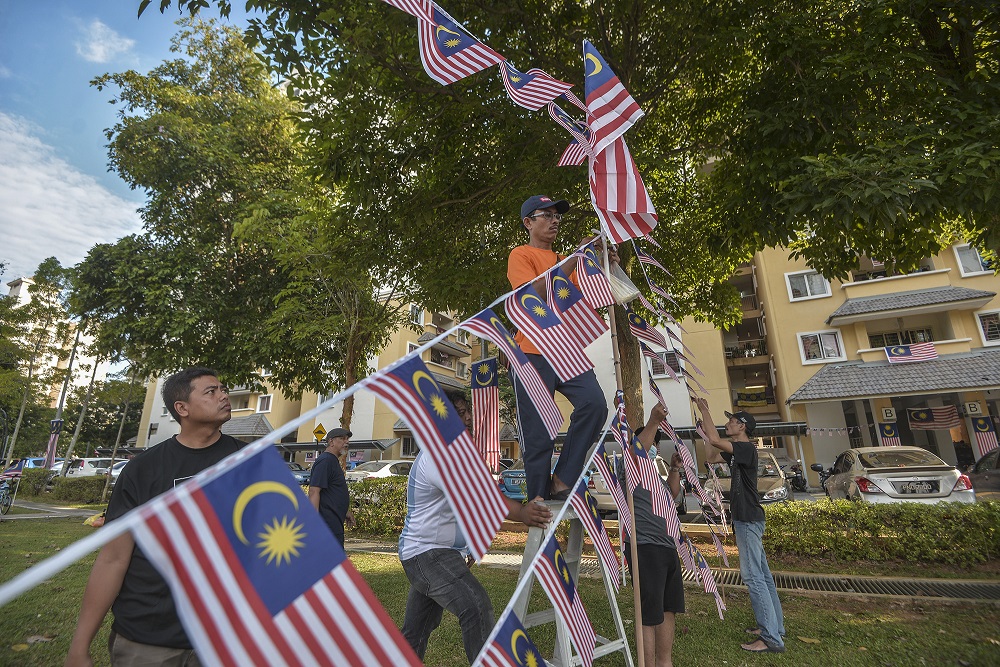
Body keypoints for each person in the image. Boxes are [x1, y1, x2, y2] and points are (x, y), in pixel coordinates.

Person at [66, 367, 243, 667]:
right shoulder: (142, 469)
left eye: (223, 389)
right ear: (182, 408)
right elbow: (113, 558)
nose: (224, 396)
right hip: (147, 639)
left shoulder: (249, 462)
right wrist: (79, 646)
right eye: (211, 391)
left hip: (224, 636)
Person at [399, 389, 552, 665]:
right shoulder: (438, 454)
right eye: (459, 413)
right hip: (426, 554)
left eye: (467, 411)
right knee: (476, 606)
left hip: (434, 553)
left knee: (416, 631)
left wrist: (465, 546)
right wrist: (521, 513)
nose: (468, 417)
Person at [507, 194, 616, 501]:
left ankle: (563, 479)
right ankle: (538, 497)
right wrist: (574, 259)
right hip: (531, 351)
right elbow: (531, 297)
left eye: (558, 216)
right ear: (529, 222)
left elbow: (588, 299)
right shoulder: (521, 255)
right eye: (547, 214)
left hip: (565, 349)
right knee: (539, 430)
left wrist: (603, 263)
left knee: (595, 404)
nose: (555, 220)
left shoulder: (568, 261)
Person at [694, 397, 786, 653]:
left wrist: (705, 409)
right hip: (748, 519)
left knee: (753, 577)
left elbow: (714, 440)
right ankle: (774, 627)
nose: (728, 423)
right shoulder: (737, 451)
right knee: (763, 576)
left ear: (742, 427)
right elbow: (711, 455)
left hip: (748, 519)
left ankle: (771, 639)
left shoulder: (746, 449)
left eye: (732, 421)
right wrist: (704, 428)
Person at [624, 403, 685, 667]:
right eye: (649, 442)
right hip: (644, 546)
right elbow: (636, 453)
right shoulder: (631, 469)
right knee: (648, 612)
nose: (653, 447)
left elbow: (672, 494)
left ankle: (664, 662)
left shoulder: (654, 477)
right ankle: (647, 663)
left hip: (667, 546)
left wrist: (674, 468)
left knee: (668, 607)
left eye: (655, 445)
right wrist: (652, 422)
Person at [308, 427, 356, 546]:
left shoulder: (333, 461)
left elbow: (332, 492)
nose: (347, 442)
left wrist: (345, 511)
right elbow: (314, 492)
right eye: (342, 439)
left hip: (335, 524)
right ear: (331, 442)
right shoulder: (325, 461)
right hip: (327, 527)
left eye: (347, 439)